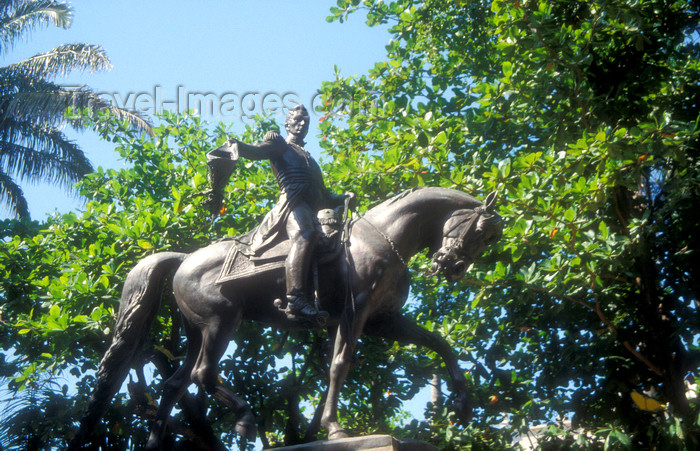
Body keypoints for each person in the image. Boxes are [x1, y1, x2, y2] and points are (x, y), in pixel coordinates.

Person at [205, 105, 351, 324]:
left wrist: (342, 197)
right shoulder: (280, 145)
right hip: (292, 204)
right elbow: (255, 152)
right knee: (305, 236)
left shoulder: (311, 160)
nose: (302, 125)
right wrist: (238, 146)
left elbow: (323, 195)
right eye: (298, 120)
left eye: (306, 122)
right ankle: (296, 299)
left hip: (313, 208)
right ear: (288, 124)